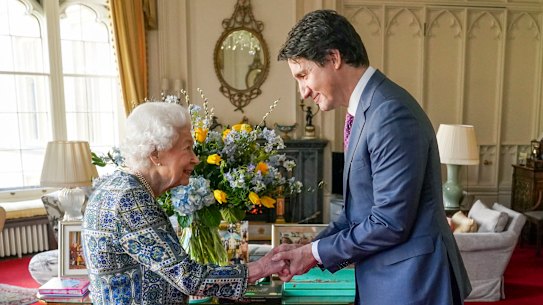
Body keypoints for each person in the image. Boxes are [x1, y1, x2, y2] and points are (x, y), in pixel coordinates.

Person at [272, 9, 472, 305]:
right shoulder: (365, 109)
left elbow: (389, 222)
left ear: (333, 58)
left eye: (303, 75)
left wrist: (312, 254)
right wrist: (309, 248)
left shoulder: (390, 112)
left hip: (414, 285)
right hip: (389, 280)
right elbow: (357, 215)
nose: (303, 92)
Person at [81, 101, 286, 305]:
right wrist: (261, 268)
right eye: (188, 148)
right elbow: (187, 276)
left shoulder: (118, 187)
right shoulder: (130, 199)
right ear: (155, 154)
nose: (195, 159)